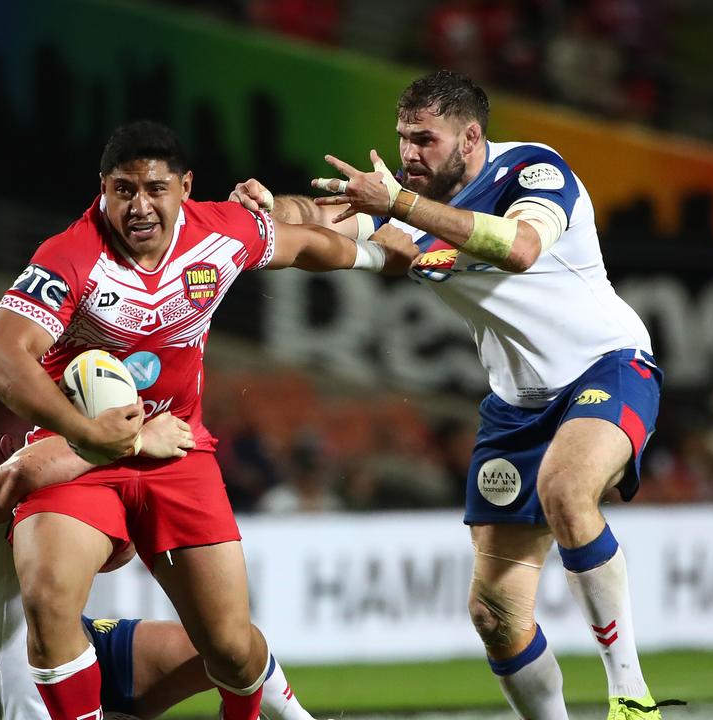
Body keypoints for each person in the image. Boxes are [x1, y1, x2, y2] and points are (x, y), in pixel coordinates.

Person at [232, 70, 680, 720]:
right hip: (513, 408)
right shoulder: (401, 205)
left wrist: (399, 207)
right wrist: (264, 208)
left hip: (607, 368)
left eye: (424, 139)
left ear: (471, 137)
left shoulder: (533, 172)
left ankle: (630, 696)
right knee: (495, 615)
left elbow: (520, 248)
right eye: (402, 138)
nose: (409, 153)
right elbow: (320, 216)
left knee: (565, 489)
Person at [0, 120, 413, 720]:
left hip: (178, 454)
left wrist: (374, 256)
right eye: (123, 190)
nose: (139, 206)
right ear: (101, 188)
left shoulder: (221, 233)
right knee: (50, 603)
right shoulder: (71, 254)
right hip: (79, 453)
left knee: (233, 651)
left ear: (185, 187)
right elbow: (1, 359)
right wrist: (90, 433)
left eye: (155, 189)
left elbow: (304, 241)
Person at [0, 382, 318, 720]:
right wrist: (134, 441)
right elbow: (22, 471)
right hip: (27, 701)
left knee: (225, 644)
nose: (63, 434)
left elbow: (97, 553)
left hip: (75, 642)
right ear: (10, 445)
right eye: (45, 431)